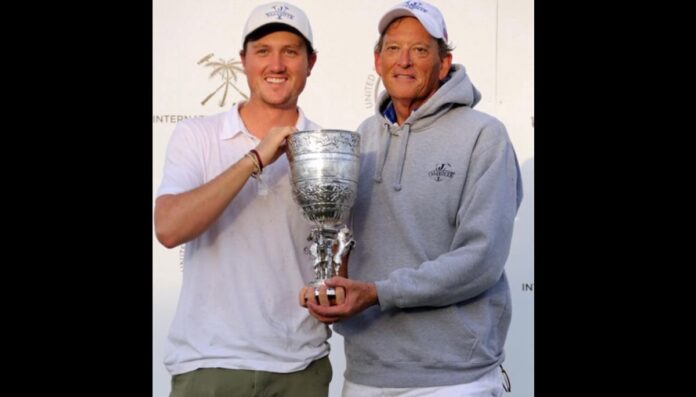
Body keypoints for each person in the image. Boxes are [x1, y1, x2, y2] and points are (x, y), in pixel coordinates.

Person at [302, 1, 523, 396]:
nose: (404, 61)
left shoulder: (484, 136)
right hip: (366, 373)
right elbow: (347, 242)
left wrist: (379, 293)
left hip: (454, 378)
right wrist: (329, 286)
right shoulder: (363, 137)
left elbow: (481, 257)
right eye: (393, 48)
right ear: (377, 60)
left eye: (420, 50)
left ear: (443, 64)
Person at [155, 2, 334, 396]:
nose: (277, 64)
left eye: (290, 51)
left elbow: (343, 256)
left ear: (311, 62)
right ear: (243, 60)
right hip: (209, 365)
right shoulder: (196, 136)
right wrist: (254, 160)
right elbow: (168, 228)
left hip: (299, 367)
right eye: (263, 51)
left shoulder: (327, 150)